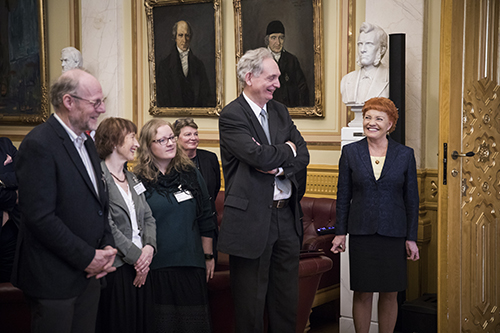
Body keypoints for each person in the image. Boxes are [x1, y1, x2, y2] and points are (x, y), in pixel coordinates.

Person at [13, 68, 117, 333]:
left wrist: (106, 247)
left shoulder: (87, 143)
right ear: (68, 102)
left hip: (89, 276)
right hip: (53, 281)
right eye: (95, 102)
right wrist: (88, 257)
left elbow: (97, 205)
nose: (102, 109)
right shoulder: (39, 144)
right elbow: (40, 218)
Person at [218, 47, 310, 332]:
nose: (278, 84)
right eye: (272, 77)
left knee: (286, 305)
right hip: (251, 221)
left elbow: (303, 154)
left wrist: (280, 163)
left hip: (286, 217)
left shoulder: (280, 111)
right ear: (249, 77)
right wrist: (286, 151)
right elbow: (257, 157)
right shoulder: (232, 115)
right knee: (250, 307)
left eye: (279, 77)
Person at [330, 97, 420, 333]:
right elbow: (343, 196)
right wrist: (340, 233)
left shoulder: (405, 155)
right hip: (361, 232)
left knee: (390, 294)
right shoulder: (350, 153)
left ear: (390, 124)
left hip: (394, 233)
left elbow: (412, 199)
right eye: (368, 117)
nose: (372, 123)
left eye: (379, 118)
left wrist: (411, 238)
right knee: (363, 292)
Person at [134, 119, 215, 332]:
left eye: (171, 137)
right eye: (161, 140)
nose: (169, 143)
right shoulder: (137, 180)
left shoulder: (190, 173)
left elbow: (206, 217)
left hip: (190, 263)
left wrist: (208, 257)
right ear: (148, 145)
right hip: (156, 267)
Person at [94, 117, 157, 333]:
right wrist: (136, 256)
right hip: (118, 267)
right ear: (113, 142)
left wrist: (148, 249)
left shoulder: (133, 178)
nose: (137, 144)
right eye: (132, 137)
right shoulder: (98, 178)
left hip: (143, 265)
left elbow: (148, 217)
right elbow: (106, 224)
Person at [173, 117, 221, 263]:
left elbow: (214, 188)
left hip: (208, 225)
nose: (193, 138)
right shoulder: (170, 161)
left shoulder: (210, 158)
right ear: (176, 138)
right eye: (188, 134)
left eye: (196, 134)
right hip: (182, 228)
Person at [156, 20, 213, 108]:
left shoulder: (199, 64)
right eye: (180, 35)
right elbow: (162, 97)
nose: (184, 40)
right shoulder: (164, 65)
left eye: (187, 35)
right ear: (175, 38)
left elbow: (205, 94)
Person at [340, 22, 389, 105]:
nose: (362, 49)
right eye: (360, 44)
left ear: (382, 49)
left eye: (369, 44)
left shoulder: (390, 78)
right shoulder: (346, 80)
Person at [264, 20, 310, 107]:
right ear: (267, 39)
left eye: (281, 38)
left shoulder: (292, 60)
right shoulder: (260, 59)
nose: (278, 42)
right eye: (273, 38)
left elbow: (302, 88)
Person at [0, 137, 19, 283]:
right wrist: (14, 196)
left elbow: (27, 173)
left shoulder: (5, 144)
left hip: (12, 230)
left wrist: (2, 181)